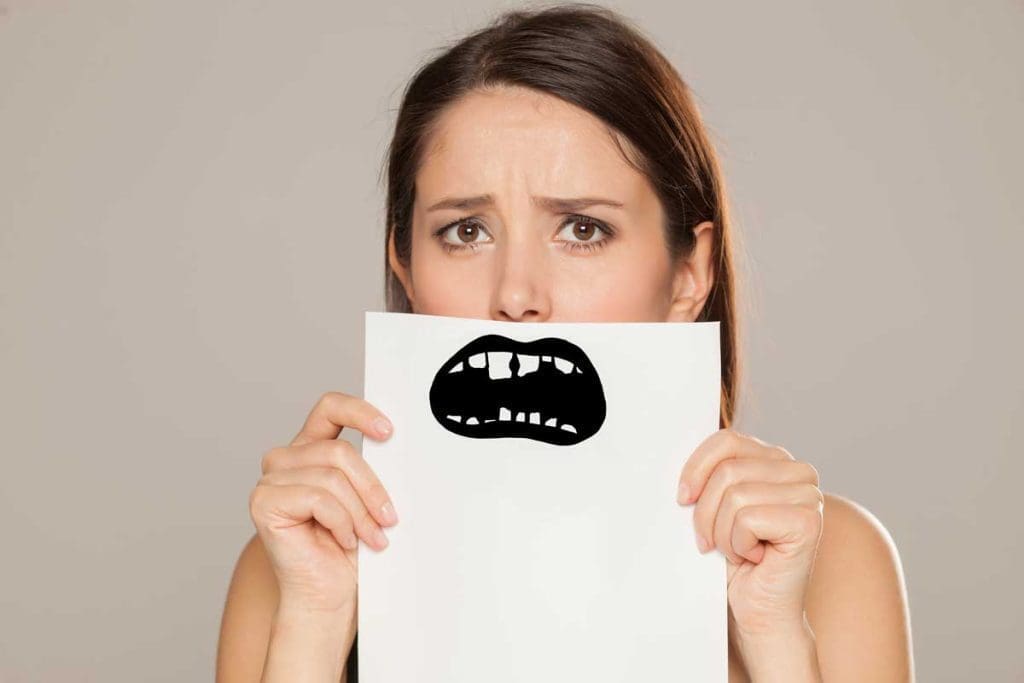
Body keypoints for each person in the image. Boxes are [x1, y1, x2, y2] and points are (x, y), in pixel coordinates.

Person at [216, 4, 913, 681]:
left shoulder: (830, 561)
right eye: (466, 230)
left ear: (688, 273)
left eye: (583, 228)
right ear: (405, 263)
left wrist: (775, 640)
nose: (517, 294)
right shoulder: (290, 568)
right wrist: (313, 625)